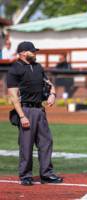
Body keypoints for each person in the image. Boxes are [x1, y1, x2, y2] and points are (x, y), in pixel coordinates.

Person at [6, 41, 63, 186]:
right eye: (32, 51)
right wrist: (22, 116)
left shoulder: (38, 67)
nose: (35, 53)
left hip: (39, 110)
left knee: (46, 142)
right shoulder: (15, 69)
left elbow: (49, 84)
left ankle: (46, 174)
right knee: (26, 144)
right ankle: (25, 175)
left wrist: (52, 94)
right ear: (23, 53)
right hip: (25, 110)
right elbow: (13, 96)